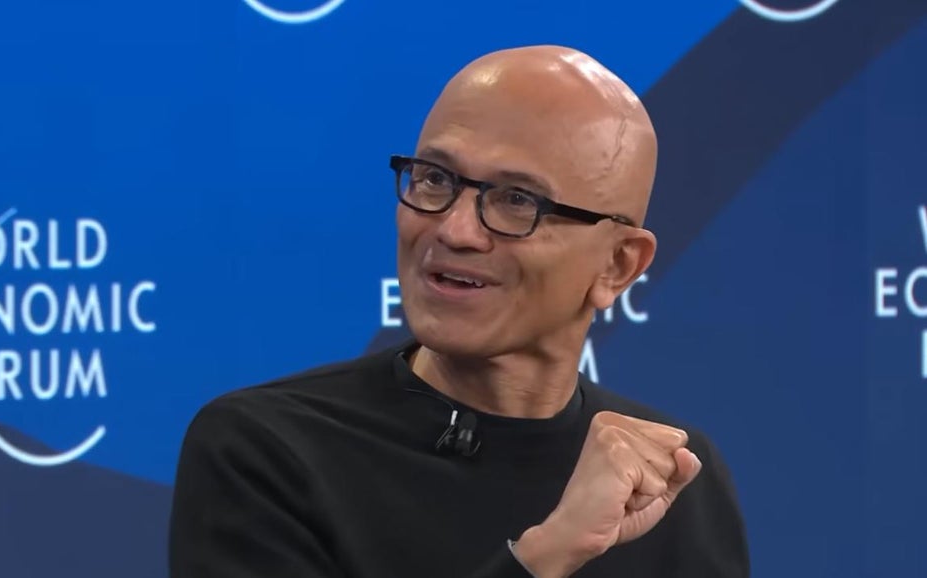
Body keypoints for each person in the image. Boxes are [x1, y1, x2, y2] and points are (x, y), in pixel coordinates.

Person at [168, 45, 749, 578]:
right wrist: (548, 555)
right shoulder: (269, 452)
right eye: (435, 179)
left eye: (518, 200)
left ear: (617, 265)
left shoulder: (670, 481)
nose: (454, 229)